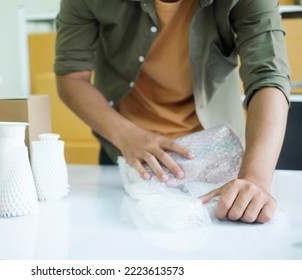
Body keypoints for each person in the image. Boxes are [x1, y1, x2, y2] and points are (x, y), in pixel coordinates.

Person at [54, 0, 291, 223]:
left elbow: (268, 76)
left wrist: (254, 179)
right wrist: (126, 135)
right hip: (127, 151)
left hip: (218, 156)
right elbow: (72, 76)